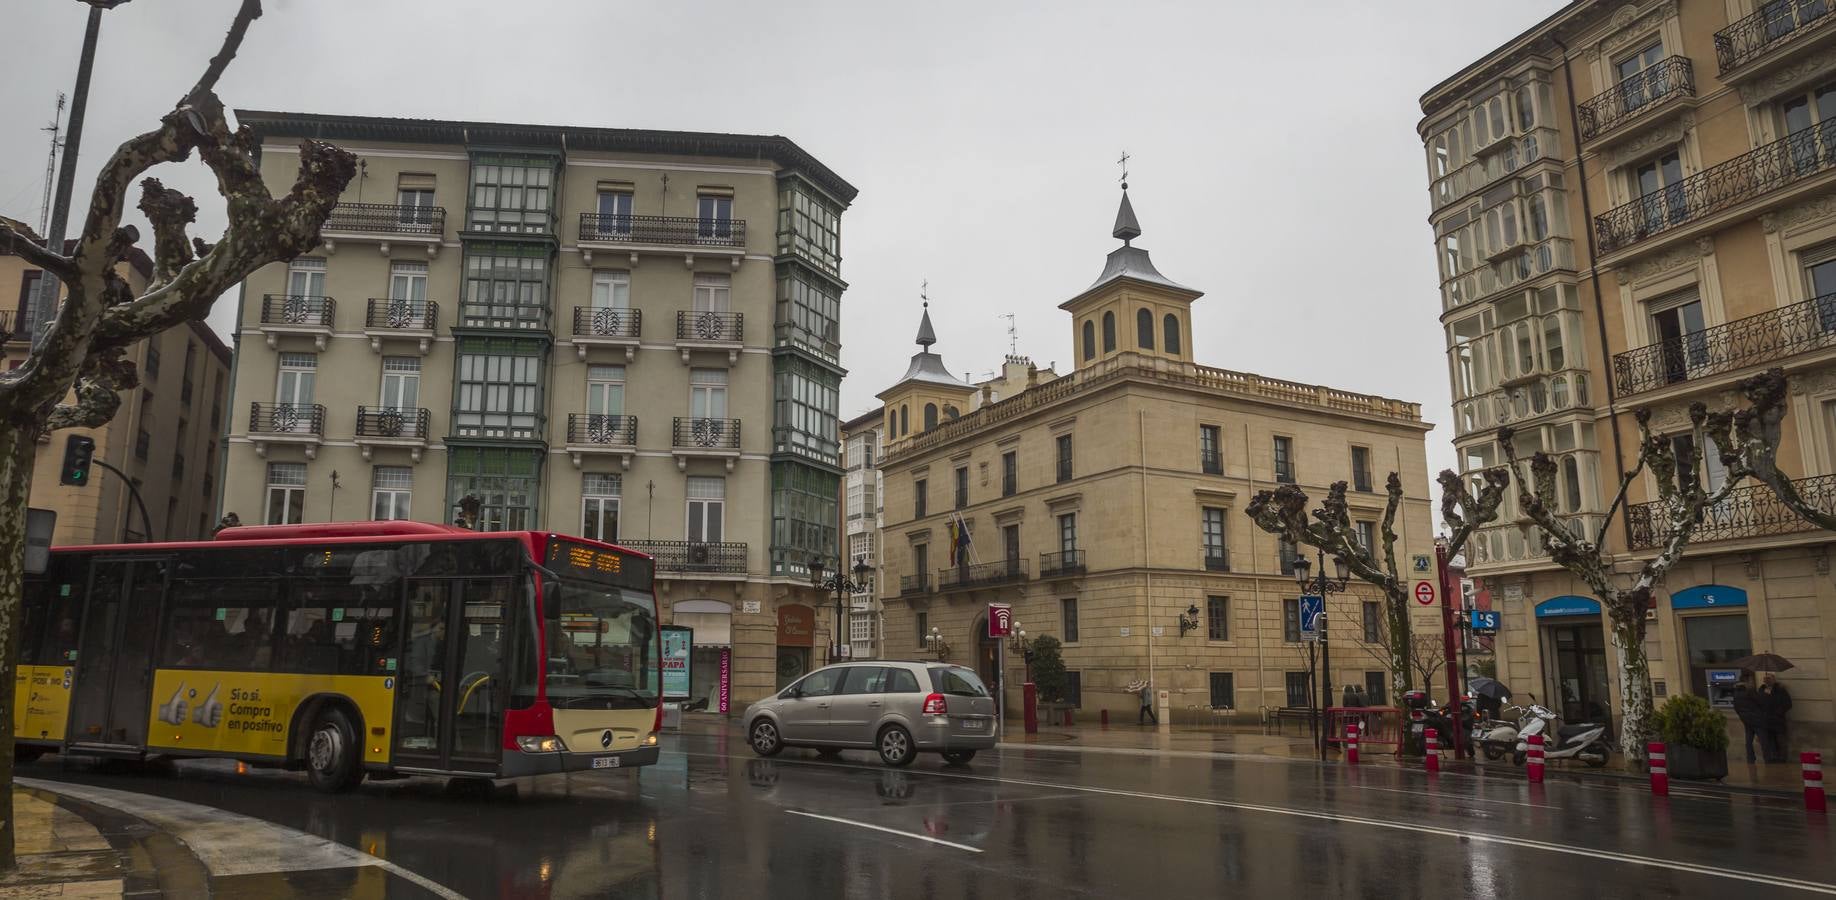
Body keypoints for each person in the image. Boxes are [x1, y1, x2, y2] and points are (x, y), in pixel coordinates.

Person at [1760, 673, 1793, 764]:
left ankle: (1782, 758)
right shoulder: (1762, 690)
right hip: (1766, 720)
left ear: (1773, 680)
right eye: (1765, 678)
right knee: (1770, 740)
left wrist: (1778, 713)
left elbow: (1788, 704)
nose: (1767, 680)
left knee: (1781, 740)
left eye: (1769, 678)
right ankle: (1773, 757)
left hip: (1778, 720)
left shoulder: (1780, 690)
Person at [1732, 681, 1763, 764]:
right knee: (1763, 740)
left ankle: (1750, 759)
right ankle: (1768, 759)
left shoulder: (1735, 694)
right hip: (1756, 720)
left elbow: (1736, 708)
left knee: (1748, 741)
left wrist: (1743, 717)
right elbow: (1760, 702)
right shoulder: (1750, 691)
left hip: (1746, 721)